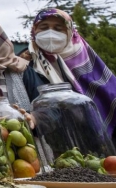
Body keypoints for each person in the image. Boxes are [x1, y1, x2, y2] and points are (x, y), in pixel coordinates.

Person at [28, 8, 116, 140]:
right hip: (69, 139)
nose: (51, 33)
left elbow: (109, 93)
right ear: (34, 30)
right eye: (44, 27)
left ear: (69, 31)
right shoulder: (30, 64)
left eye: (58, 28)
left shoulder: (84, 55)